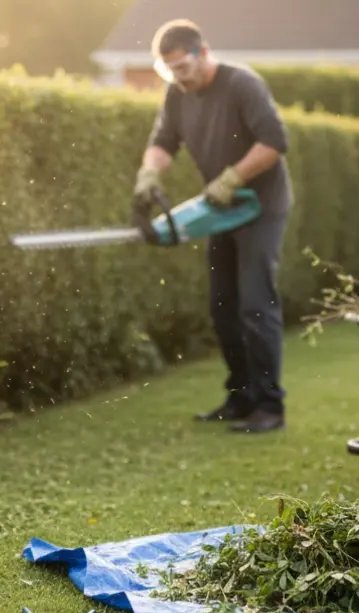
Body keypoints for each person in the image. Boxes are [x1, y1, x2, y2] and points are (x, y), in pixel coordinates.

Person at [133, 19, 294, 434]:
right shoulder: (177, 94)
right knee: (223, 305)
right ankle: (241, 397)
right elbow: (163, 142)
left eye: (182, 67)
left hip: (260, 206)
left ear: (202, 53)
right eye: (169, 70)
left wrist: (233, 178)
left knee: (255, 303)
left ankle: (270, 406)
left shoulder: (242, 84)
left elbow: (274, 141)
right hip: (222, 209)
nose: (178, 77)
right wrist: (149, 174)